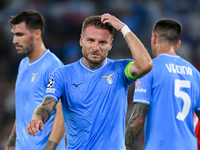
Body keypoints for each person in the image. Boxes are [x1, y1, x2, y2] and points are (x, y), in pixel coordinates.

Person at [26, 13, 152, 149]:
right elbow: (46, 105)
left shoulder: (121, 70)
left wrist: (123, 28)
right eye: (91, 40)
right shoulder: (63, 74)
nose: (95, 47)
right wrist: (37, 118)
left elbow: (146, 65)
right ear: (81, 41)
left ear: (110, 44)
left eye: (102, 42)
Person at [125, 18, 200, 150]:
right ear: (178, 44)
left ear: (154, 39)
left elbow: (138, 119)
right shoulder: (195, 74)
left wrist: (124, 146)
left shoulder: (149, 70)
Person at [5, 10, 65, 150]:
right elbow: (23, 109)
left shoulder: (53, 66)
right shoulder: (23, 64)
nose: (14, 40)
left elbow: (62, 114)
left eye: (20, 35)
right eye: (14, 35)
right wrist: (10, 144)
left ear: (37, 34)